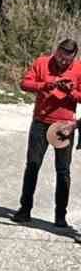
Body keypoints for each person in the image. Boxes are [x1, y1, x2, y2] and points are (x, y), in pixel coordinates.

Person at [16, 35, 80, 228]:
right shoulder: (42, 62)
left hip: (65, 126)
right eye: (60, 57)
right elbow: (24, 84)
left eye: (67, 60)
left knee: (63, 171)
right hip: (41, 122)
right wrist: (45, 85)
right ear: (56, 51)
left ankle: (60, 216)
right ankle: (24, 210)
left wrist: (71, 92)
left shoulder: (78, 69)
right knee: (33, 166)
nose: (62, 62)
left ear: (73, 58)